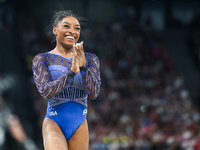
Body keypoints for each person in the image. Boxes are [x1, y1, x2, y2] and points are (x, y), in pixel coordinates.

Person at [32, 10, 101, 150]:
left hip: (80, 124)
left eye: (77, 28)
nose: (72, 31)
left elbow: (94, 93)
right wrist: (71, 73)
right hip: (54, 122)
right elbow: (46, 92)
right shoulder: (42, 59)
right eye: (67, 26)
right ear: (55, 29)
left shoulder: (90, 59)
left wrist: (82, 68)